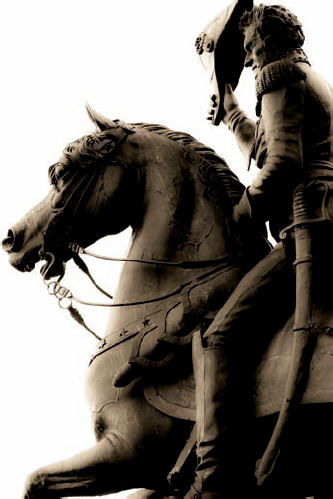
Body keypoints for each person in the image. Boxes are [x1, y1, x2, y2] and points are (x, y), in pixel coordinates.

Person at [185, 3, 332, 498]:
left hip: (310, 232)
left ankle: (215, 480)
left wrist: (240, 214)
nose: (247, 61)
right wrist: (231, 115)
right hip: (319, 225)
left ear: (261, 39)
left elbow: (284, 164)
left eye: (247, 48)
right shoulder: (302, 75)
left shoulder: (278, 72)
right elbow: (271, 147)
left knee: (219, 337)